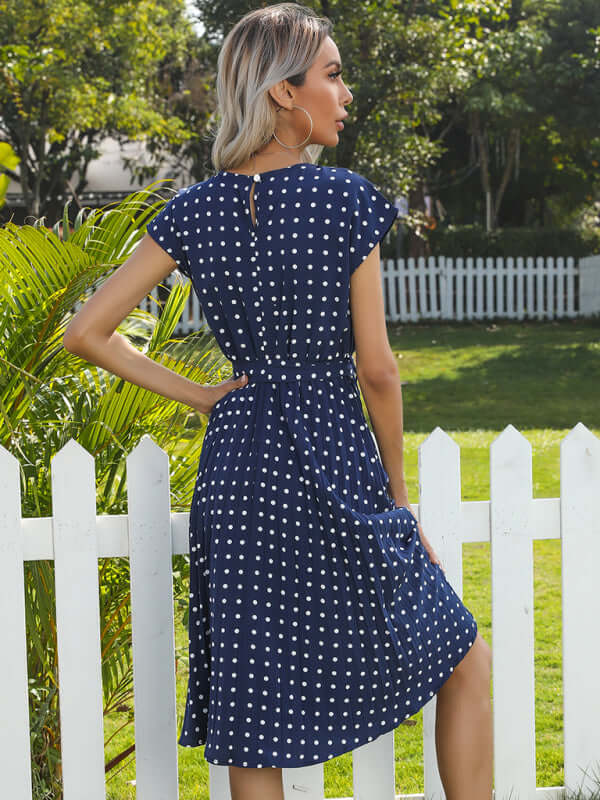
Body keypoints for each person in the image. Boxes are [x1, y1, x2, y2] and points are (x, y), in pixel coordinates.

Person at [63, 4, 492, 799]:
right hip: (329, 453)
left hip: (242, 469)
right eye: (332, 73)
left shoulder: (193, 210)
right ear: (286, 93)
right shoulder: (344, 201)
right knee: (464, 659)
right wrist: (398, 499)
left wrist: (201, 397)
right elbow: (379, 371)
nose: (345, 92)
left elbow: (86, 331)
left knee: (253, 716)